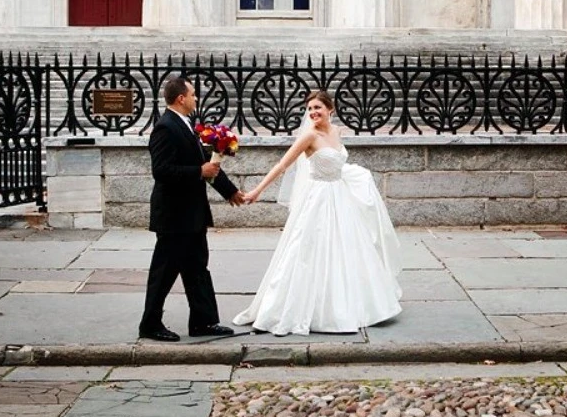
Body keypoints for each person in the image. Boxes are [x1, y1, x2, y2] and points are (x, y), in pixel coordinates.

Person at [234, 89, 402, 336]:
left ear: (330, 109)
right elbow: (283, 165)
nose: (313, 112)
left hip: (340, 197)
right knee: (307, 252)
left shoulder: (336, 132)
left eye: (317, 108)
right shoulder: (309, 136)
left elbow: (337, 163)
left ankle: (348, 306)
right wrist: (258, 190)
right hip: (318, 200)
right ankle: (298, 308)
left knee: (346, 252)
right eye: (310, 109)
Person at [138, 76, 245, 342]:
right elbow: (161, 171)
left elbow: (208, 166)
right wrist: (198, 172)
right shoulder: (165, 127)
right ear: (181, 98)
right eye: (193, 94)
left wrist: (230, 191)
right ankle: (150, 324)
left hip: (192, 215)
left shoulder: (186, 125)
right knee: (164, 273)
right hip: (174, 216)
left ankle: (204, 322)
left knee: (197, 268)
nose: (196, 98)